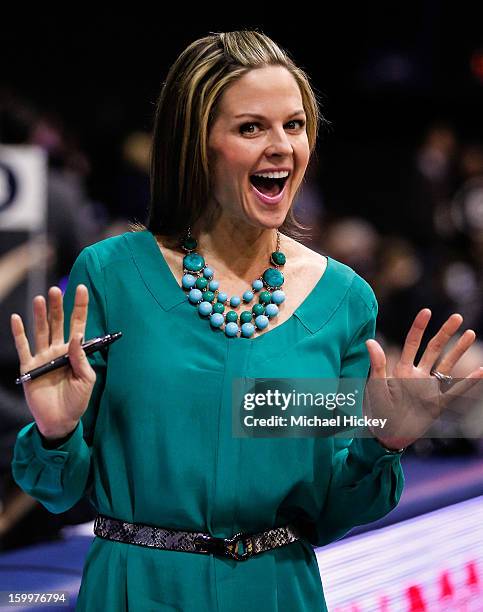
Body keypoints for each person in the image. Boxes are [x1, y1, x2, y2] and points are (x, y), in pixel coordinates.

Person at [9, 31, 483, 612]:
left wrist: (383, 442)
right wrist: (57, 434)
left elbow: (333, 509)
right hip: (135, 592)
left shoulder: (343, 300)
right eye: (251, 128)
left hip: (277, 593)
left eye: (295, 125)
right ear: (197, 144)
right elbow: (58, 493)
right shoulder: (112, 276)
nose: (282, 146)